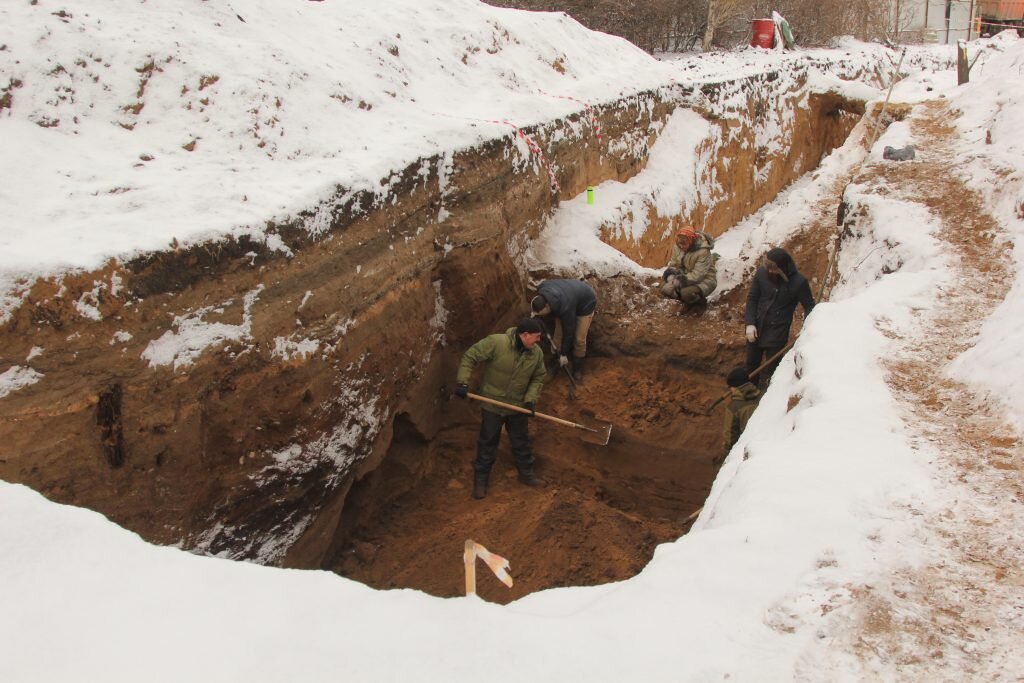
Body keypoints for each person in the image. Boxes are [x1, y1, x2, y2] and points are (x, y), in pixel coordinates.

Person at [454, 319, 547, 499]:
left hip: (517, 406)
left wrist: (530, 399)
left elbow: (539, 377)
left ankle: (526, 475)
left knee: (521, 442)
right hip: (492, 404)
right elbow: (470, 356)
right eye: (536, 337)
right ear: (525, 335)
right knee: (487, 442)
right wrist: (463, 382)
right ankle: (480, 481)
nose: (538, 341)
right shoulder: (496, 343)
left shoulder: (536, 354)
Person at [744, 247, 815, 386]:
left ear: (783, 268)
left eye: (774, 269)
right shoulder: (761, 274)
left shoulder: (799, 283)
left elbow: (809, 306)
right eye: (768, 268)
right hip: (757, 328)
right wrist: (750, 323)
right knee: (751, 365)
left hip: (777, 332)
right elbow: (752, 298)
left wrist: (806, 329)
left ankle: (766, 400)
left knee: (772, 371)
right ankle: (749, 396)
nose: (770, 271)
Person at [530, 279, 597, 382]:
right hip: (569, 294)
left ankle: (577, 369)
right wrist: (535, 313)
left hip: (585, 304)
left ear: (547, 306)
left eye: (542, 313)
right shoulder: (542, 289)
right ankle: (554, 363)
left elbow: (569, 331)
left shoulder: (565, 308)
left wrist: (564, 354)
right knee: (558, 336)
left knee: (579, 339)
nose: (541, 316)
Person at [661, 226, 718, 314]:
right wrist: (671, 276)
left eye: (684, 243)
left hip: (705, 279)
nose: (681, 246)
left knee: (686, 292)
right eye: (680, 243)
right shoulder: (678, 247)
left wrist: (679, 281)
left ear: (691, 241)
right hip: (685, 275)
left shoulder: (703, 251)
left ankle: (700, 303)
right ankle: (686, 303)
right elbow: (674, 263)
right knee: (664, 286)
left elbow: (698, 275)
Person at [718, 367, 762, 465]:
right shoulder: (763, 396)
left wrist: (726, 455)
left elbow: (729, 436)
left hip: (744, 448)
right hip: (763, 441)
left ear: (735, 387)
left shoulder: (733, 407)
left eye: (730, 386)